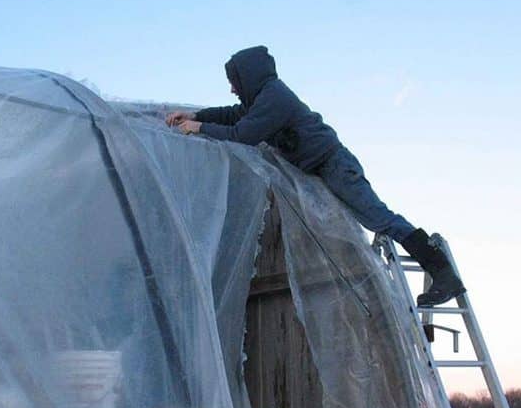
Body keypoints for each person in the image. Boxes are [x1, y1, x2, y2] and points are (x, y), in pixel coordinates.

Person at [165, 45, 465, 307]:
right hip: (322, 167)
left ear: (248, 77)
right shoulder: (263, 99)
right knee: (376, 219)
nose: (232, 89)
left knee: (379, 219)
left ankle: (440, 270)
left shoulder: (275, 98)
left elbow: (242, 133)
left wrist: (199, 129)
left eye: (234, 82)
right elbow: (235, 114)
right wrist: (197, 116)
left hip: (335, 165)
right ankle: (437, 264)